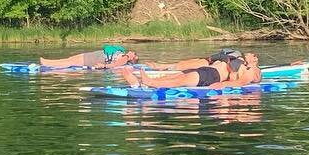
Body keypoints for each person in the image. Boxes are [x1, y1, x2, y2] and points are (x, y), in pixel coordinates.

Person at [118, 51, 261, 90]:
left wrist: (221, 85)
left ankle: (150, 82)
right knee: (178, 76)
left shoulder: (250, 71)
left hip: (213, 76)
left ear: (255, 59)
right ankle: (143, 84)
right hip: (208, 71)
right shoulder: (241, 63)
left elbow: (241, 82)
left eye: (250, 55)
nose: (247, 54)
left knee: (182, 80)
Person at [37, 45, 138, 68]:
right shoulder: (122, 53)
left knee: (71, 62)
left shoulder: (125, 59)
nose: (133, 52)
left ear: (132, 58)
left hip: (94, 59)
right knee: (70, 59)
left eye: (135, 55)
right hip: (94, 55)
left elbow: (115, 64)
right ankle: (49, 61)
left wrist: (104, 66)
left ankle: (48, 64)